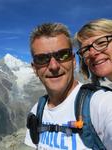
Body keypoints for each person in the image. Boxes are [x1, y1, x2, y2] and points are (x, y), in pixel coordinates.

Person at [24, 22, 112, 150]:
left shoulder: (101, 103)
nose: (54, 66)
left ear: (73, 61)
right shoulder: (37, 109)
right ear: (34, 68)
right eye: (42, 59)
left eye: (62, 55)